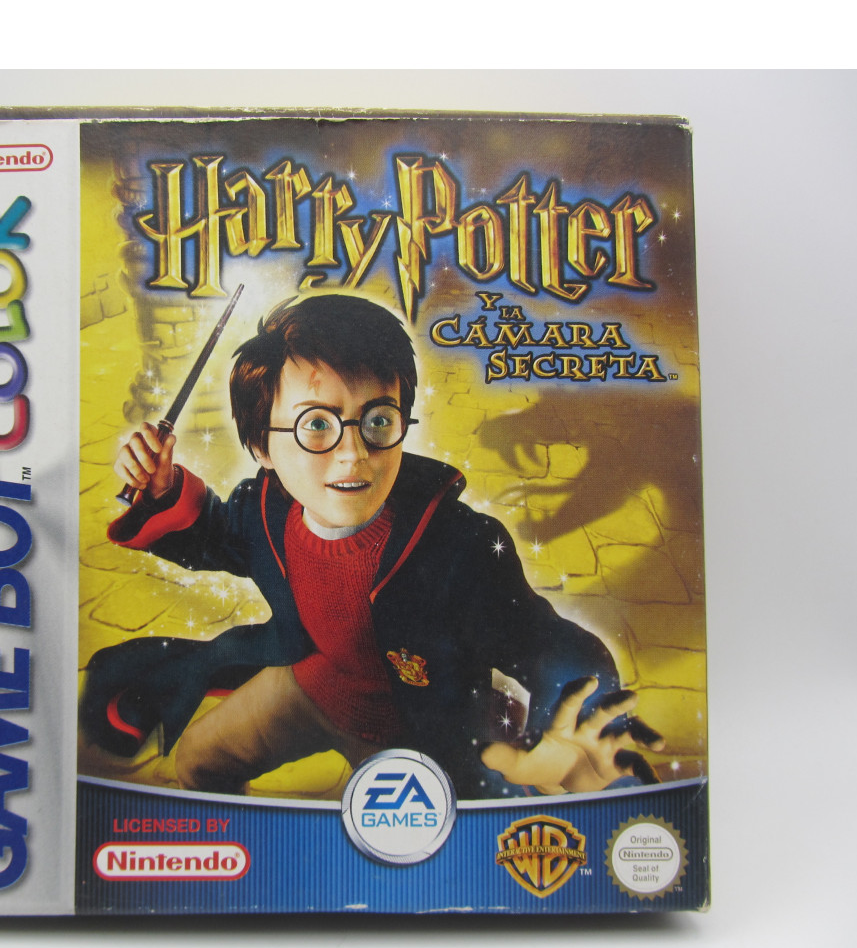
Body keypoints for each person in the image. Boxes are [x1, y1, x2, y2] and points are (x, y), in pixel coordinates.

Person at [79, 293, 661, 798]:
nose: (354, 454)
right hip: (312, 687)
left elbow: (556, 650)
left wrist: (568, 729)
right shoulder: (266, 508)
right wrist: (164, 491)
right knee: (197, 760)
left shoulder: (460, 549)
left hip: (422, 732)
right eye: (316, 424)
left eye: (379, 420)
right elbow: (216, 537)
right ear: (261, 446)